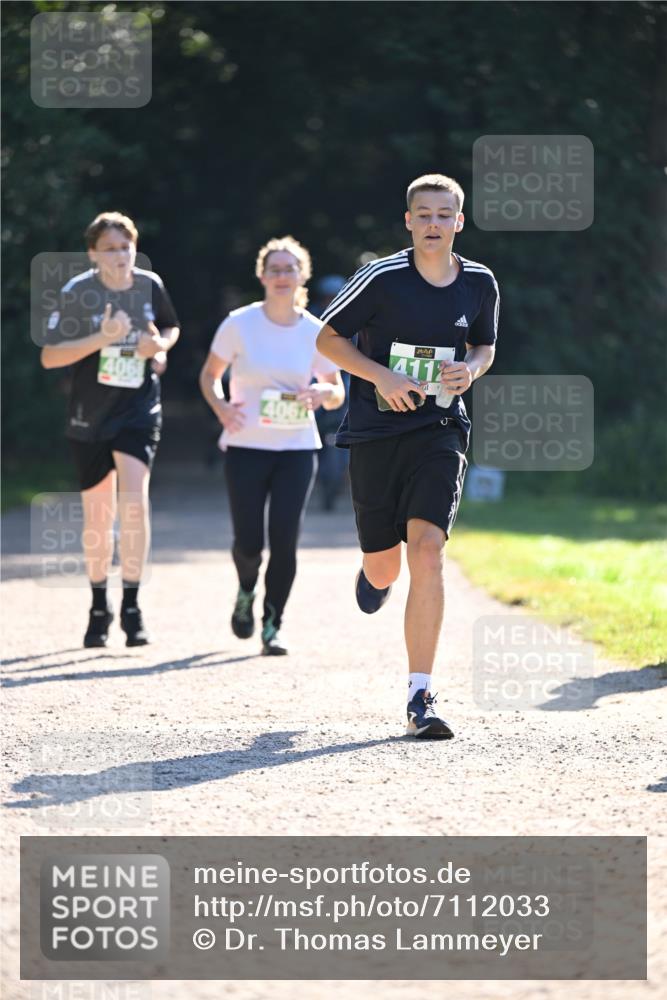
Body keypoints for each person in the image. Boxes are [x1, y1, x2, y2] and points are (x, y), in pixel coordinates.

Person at [316, 174, 499, 739]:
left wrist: (470, 370)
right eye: (424, 215)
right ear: (408, 221)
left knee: (427, 550)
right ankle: (373, 574)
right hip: (376, 432)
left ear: (459, 222)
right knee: (385, 564)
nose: (434, 224)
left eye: (445, 215)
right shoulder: (382, 277)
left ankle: (421, 694)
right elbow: (327, 338)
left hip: (441, 428)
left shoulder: (479, 283)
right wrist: (381, 376)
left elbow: (485, 345)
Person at [199, 236, 345, 655]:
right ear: (262, 275)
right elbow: (210, 375)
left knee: (285, 540)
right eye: (275, 269)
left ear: (303, 275)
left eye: (290, 269)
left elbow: (337, 390)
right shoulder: (239, 323)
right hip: (245, 446)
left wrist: (322, 393)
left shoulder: (318, 331)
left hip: (297, 450)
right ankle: (246, 590)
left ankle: (272, 623)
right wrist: (222, 407)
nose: (282, 276)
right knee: (249, 542)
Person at [41, 211, 180, 648]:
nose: (121, 256)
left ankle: (133, 608)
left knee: (134, 503)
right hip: (90, 415)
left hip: (139, 409)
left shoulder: (149, 285)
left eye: (126, 246)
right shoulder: (78, 292)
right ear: (92, 254)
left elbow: (170, 327)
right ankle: (99, 604)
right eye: (110, 249)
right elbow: (50, 357)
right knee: (99, 515)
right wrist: (101, 338)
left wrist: (158, 345)